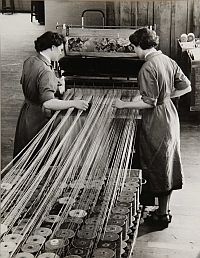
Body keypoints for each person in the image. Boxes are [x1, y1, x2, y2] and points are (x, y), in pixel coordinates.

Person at [113, 28, 191, 227]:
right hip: (169, 115)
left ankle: (161, 216)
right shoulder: (167, 60)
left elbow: (148, 103)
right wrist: (164, 97)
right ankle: (164, 211)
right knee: (167, 163)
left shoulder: (147, 67)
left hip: (156, 120)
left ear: (140, 46)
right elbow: (186, 86)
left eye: (134, 47)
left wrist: (125, 105)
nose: (134, 51)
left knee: (157, 164)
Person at [13, 31, 89, 158]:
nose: (61, 52)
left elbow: (34, 81)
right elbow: (48, 103)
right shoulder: (46, 71)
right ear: (52, 47)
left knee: (26, 152)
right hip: (39, 118)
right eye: (60, 49)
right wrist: (75, 103)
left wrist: (54, 81)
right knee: (39, 154)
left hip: (27, 113)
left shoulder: (30, 61)